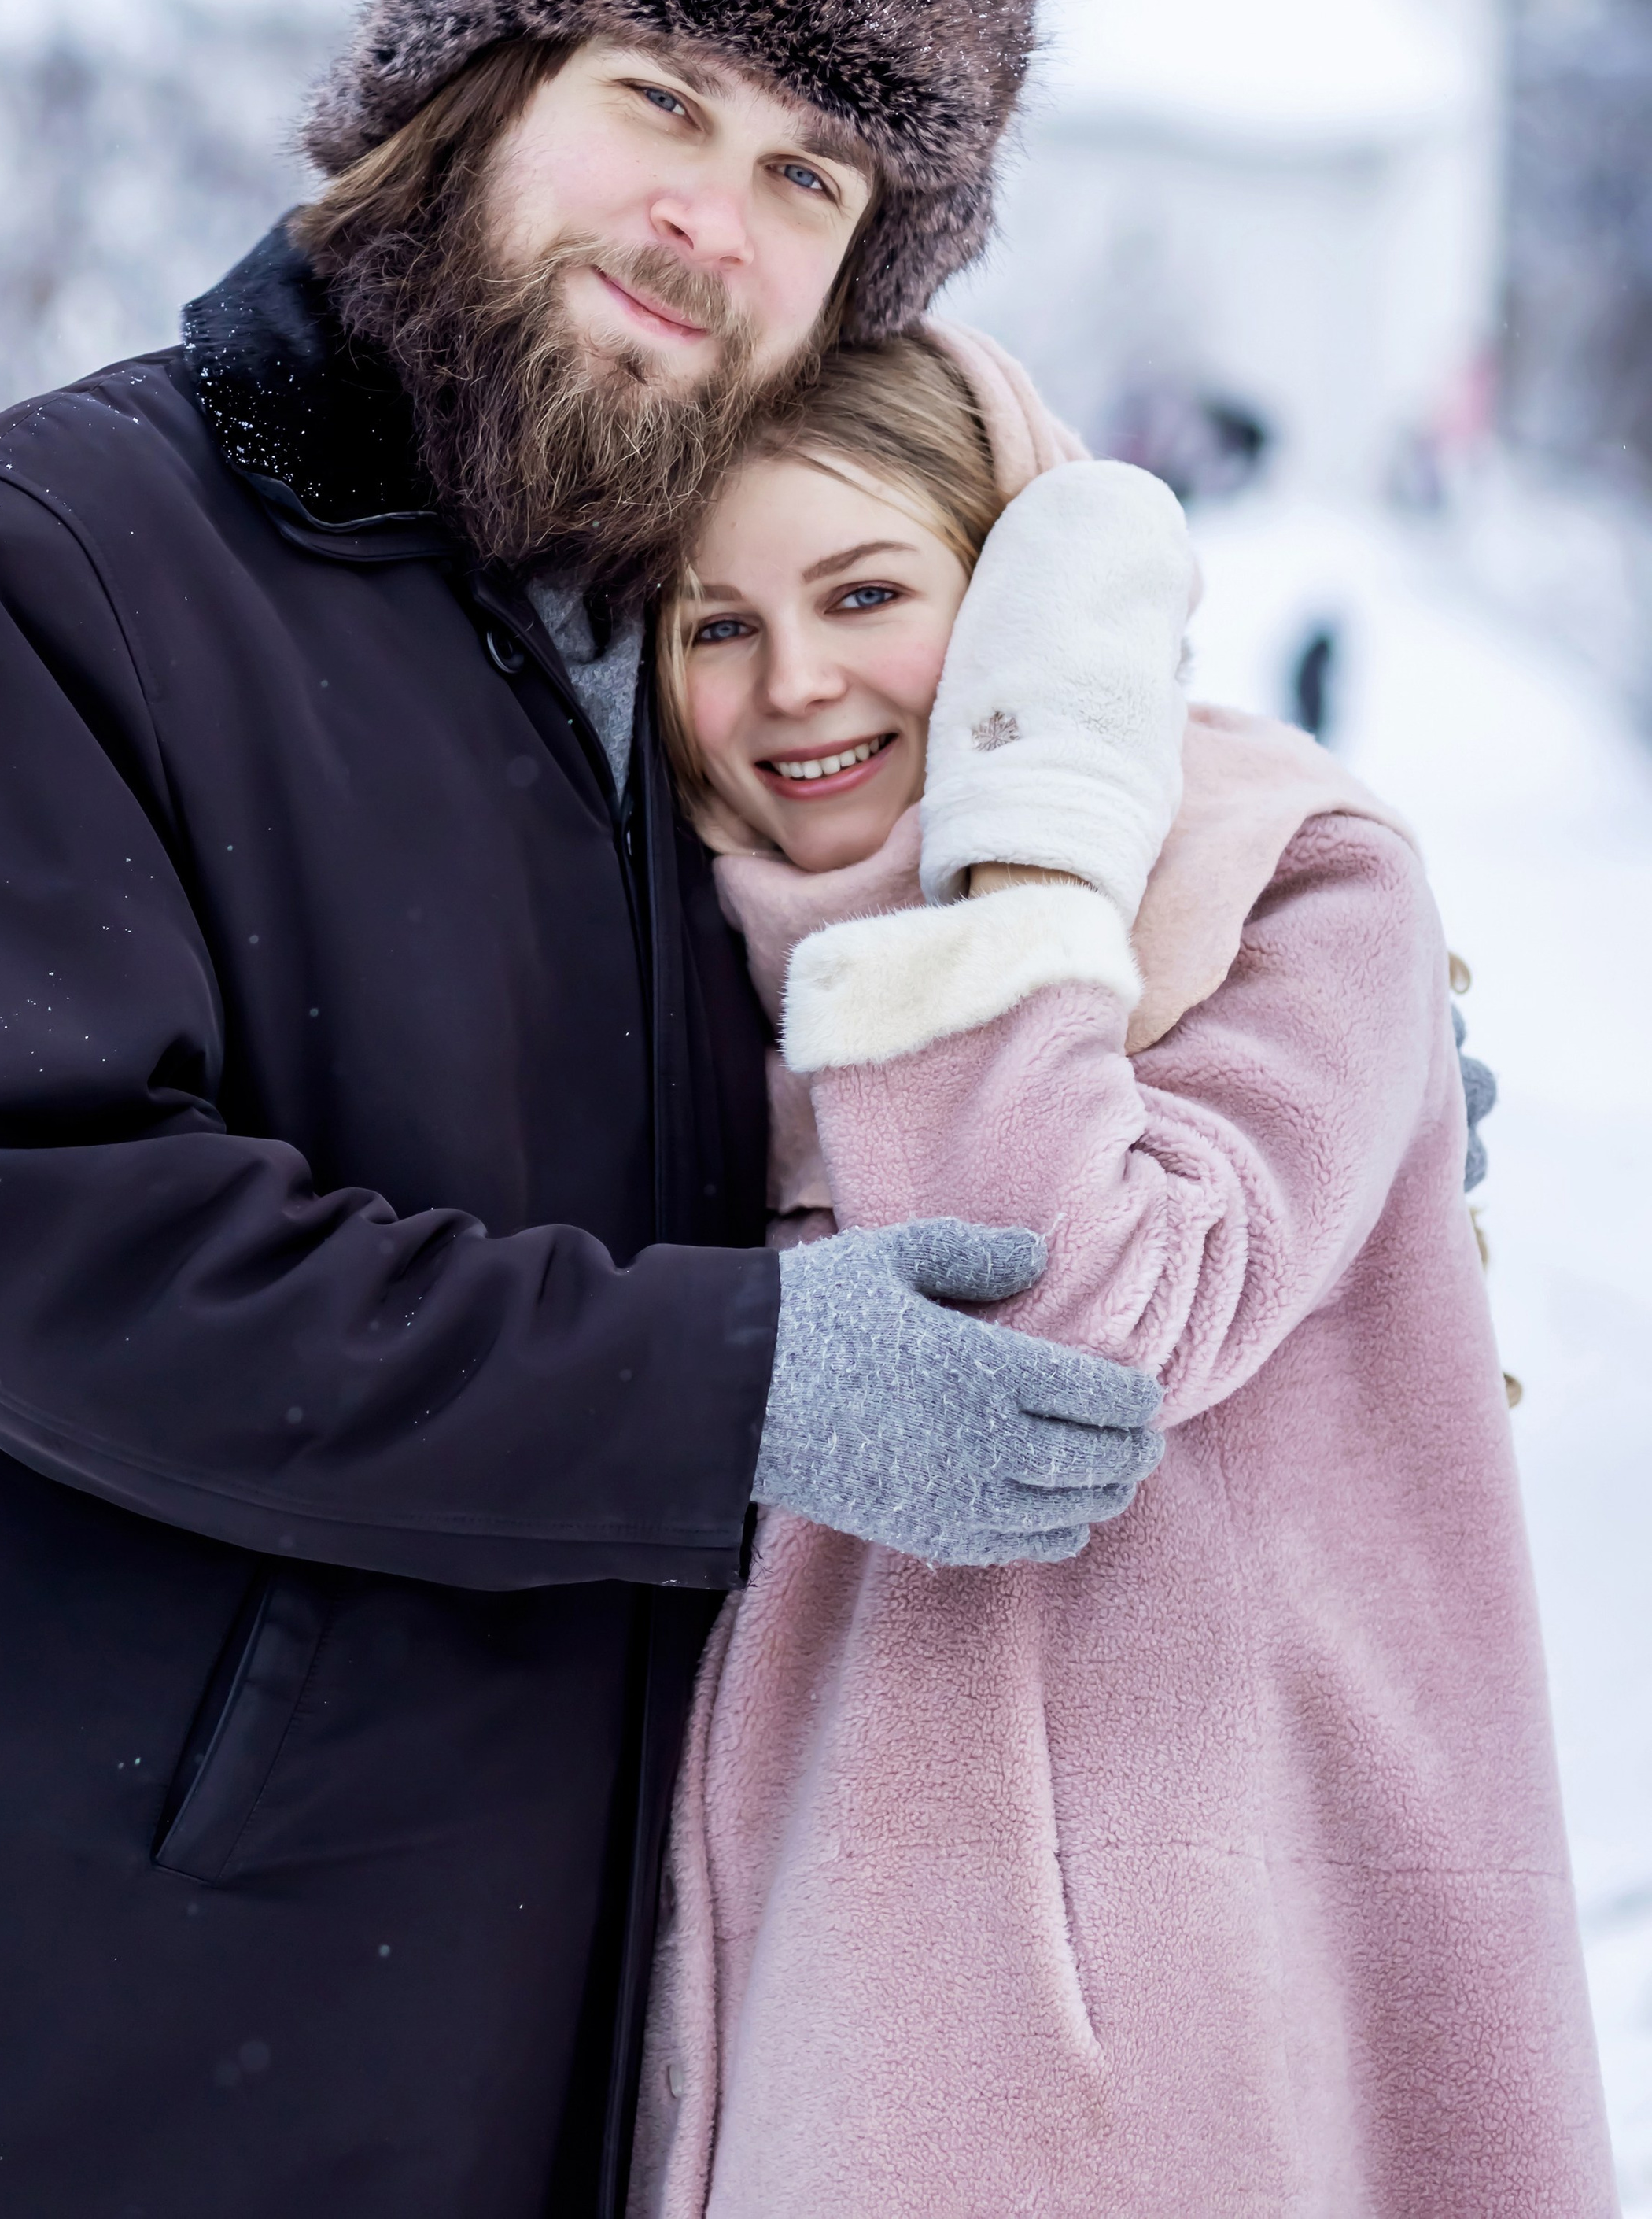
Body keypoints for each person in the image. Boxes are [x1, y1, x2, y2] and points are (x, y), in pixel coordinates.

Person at [0, 0, 1165, 2219]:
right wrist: (737, 1390)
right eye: (660, 101)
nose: (713, 217)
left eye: (807, 177)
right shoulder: (56, 567)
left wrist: (1240, 1063)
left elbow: (888, 1034)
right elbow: (69, 1257)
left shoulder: (671, 664)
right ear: (479, 82)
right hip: (63, 2077)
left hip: (519, 2068)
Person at [631, 328, 1617, 2217]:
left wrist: (1026, 848)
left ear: (1015, 607)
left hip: (1163, 2059)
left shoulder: (1284, 883)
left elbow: (1074, 1323)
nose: (794, 685)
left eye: (864, 593)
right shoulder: (652, 973)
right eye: (710, 626)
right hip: (779, 2048)